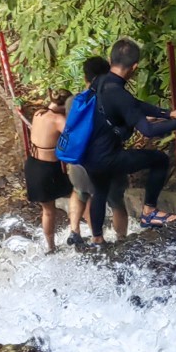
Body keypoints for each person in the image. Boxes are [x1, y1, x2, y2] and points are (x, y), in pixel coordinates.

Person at [81, 38, 176, 240]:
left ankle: (97, 240)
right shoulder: (118, 93)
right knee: (159, 159)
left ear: (110, 59)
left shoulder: (101, 81)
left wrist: (169, 113)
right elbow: (147, 130)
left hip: (89, 156)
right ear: (135, 67)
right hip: (109, 157)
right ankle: (149, 211)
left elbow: (135, 104)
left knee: (100, 191)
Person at [64, 57, 118, 244]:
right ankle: (114, 239)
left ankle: (75, 231)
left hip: (78, 158)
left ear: (86, 77)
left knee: (78, 192)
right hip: (103, 158)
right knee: (111, 201)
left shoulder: (72, 102)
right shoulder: (110, 100)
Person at [26, 91, 72, 251]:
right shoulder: (59, 119)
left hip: (32, 164)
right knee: (77, 196)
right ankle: (77, 232)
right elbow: (74, 136)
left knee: (47, 210)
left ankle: (51, 247)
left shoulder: (38, 114)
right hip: (48, 169)